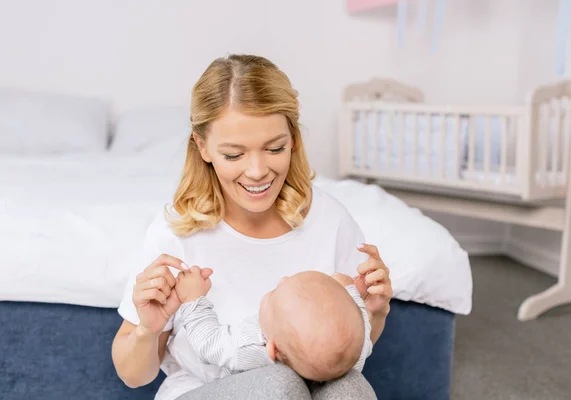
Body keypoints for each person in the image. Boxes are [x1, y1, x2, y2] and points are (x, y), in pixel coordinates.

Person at [111, 54, 393, 400]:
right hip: (205, 392)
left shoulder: (331, 221)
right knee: (279, 385)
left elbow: (337, 352)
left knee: (348, 387)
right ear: (203, 147)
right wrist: (147, 331)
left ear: (293, 139)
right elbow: (133, 376)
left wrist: (375, 315)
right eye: (234, 155)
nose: (258, 171)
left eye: (275, 148)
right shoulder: (176, 234)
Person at [174, 267, 372, 381]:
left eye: (275, 292)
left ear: (272, 348)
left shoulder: (253, 345)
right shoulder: (350, 354)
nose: (282, 279)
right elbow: (361, 329)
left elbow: (208, 343)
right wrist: (351, 293)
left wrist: (193, 298)